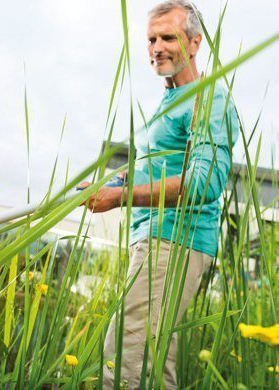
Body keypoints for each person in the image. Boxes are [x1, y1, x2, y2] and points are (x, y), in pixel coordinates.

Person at [78, 1, 239, 388]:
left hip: (175, 241)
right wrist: (111, 185)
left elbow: (204, 183)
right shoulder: (168, 102)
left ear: (195, 42)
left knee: (125, 356)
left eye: (168, 36)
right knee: (153, 361)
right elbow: (155, 171)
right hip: (154, 239)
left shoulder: (209, 98)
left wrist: (121, 197)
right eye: (151, 39)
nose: (157, 47)